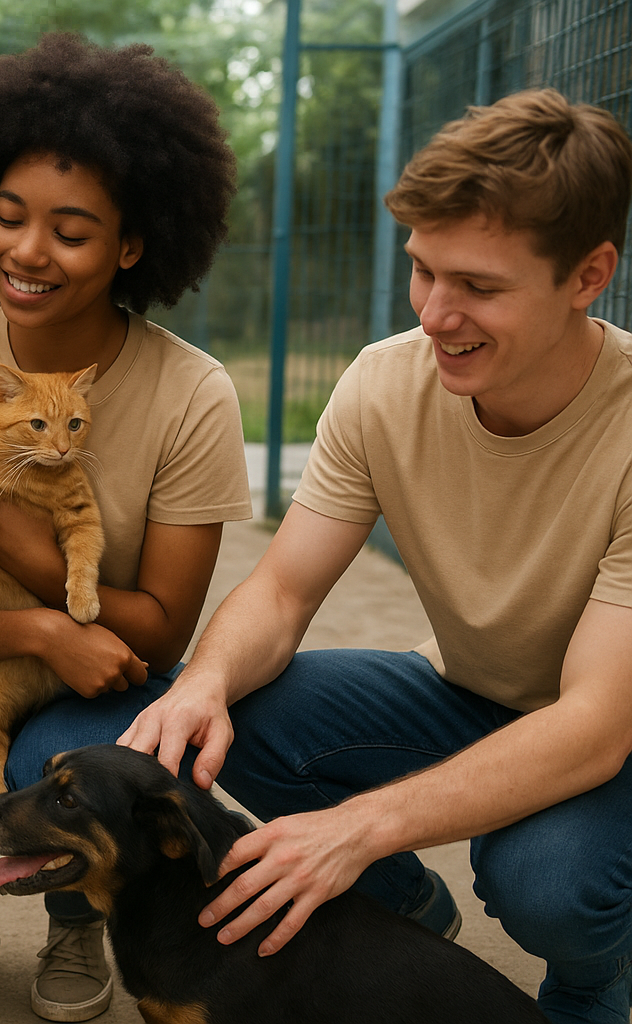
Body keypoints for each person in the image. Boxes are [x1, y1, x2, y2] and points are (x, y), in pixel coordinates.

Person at [121, 89, 632, 1024]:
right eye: (422, 272)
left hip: (611, 735)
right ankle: (398, 905)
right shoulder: (385, 381)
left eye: (478, 286)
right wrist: (202, 683)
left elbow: (596, 722)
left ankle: (594, 980)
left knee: (552, 885)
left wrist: (356, 828)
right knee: (236, 714)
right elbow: (280, 590)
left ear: (587, 274)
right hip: (468, 693)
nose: (436, 314)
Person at [0, 34, 251, 1022]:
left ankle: (84, 915)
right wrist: (39, 626)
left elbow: (160, 626)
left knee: (64, 785)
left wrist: (22, 547)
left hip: (112, 672)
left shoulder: (191, 392)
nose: (27, 251)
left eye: (70, 231)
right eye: (8, 216)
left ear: (130, 245)